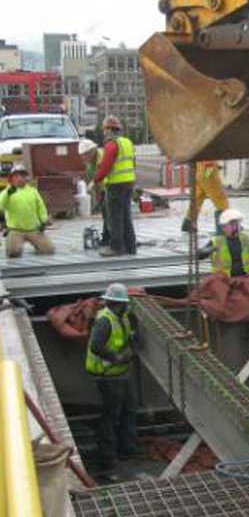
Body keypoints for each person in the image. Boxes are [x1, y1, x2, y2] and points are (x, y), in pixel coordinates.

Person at [85, 283, 139, 472]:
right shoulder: (104, 321)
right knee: (110, 417)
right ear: (118, 303)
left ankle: (127, 450)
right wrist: (116, 358)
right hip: (107, 376)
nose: (127, 306)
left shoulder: (122, 317)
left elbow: (128, 337)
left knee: (130, 410)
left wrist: (133, 343)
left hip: (122, 373)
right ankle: (107, 460)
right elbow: (96, 347)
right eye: (125, 303)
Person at [94, 115, 136, 257]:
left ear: (109, 129)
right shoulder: (127, 143)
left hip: (115, 185)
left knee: (115, 217)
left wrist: (97, 178)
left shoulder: (112, 144)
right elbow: (133, 163)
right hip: (129, 183)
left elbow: (106, 165)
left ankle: (116, 247)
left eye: (105, 129)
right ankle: (130, 247)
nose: (104, 132)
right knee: (126, 216)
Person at [197, 209, 249, 277]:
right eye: (232, 224)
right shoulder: (216, 241)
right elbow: (199, 256)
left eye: (237, 224)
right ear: (223, 227)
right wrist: (206, 251)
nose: (235, 227)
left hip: (247, 277)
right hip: (224, 280)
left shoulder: (246, 238)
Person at [0, 165, 55, 258]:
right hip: (15, 230)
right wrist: (7, 193)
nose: (20, 178)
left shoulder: (33, 191)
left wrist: (44, 220)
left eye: (22, 176)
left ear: (26, 178)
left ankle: (37, 249)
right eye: (16, 176)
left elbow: (41, 207)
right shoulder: (7, 192)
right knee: (13, 253)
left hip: (33, 229)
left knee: (49, 250)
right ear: (12, 178)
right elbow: (1, 206)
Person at [182, 160, 229, 234]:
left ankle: (189, 221)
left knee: (198, 197)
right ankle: (227, 225)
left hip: (201, 167)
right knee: (220, 199)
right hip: (208, 167)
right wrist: (208, 172)